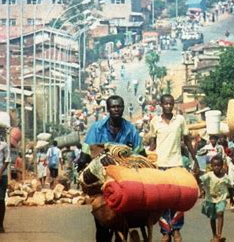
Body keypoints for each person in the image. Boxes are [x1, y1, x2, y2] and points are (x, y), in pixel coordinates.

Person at [85, 95, 143, 241]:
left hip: (125, 178)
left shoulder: (130, 129)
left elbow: (140, 152)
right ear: (108, 109)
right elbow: (84, 154)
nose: (116, 109)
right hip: (102, 179)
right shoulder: (97, 129)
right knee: (102, 221)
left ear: (123, 108)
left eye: (119, 106)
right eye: (113, 107)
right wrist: (78, 170)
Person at [149, 94, 198, 242]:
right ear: (161, 105)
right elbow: (153, 144)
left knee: (177, 200)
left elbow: (187, 141)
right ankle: (165, 231)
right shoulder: (154, 121)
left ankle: (176, 229)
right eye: (166, 104)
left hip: (177, 164)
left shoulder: (180, 120)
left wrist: (195, 159)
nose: (169, 106)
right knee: (163, 200)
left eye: (171, 104)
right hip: (160, 165)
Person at [200, 155, 231, 242]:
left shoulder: (225, 177)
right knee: (212, 217)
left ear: (222, 166)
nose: (216, 167)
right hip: (210, 199)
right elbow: (200, 179)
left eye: (218, 165)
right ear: (211, 166)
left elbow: (230, 187)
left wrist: (232, 199)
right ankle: (214, 235)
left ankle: (219, 234)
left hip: (221, 199)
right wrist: (201, 189)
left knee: (220, 213)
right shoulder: (209, 175)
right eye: (214, 165)